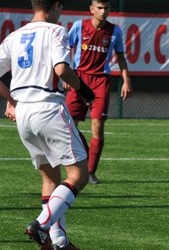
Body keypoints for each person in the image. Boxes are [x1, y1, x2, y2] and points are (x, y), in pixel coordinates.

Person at [0, 0, 95, 249]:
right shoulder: (56, 30)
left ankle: (58, 242)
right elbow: (62, 69)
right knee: (79, 174)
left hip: (24, 116)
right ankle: (41, 224)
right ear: (54, 6)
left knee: (50, 178)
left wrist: (11, 100)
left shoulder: (15, 35)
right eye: (61, 7)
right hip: (49, 108)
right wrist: (84, 89)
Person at [64, 0, 133, 184]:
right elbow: (65, 49)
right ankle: (86, 155)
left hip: (101, 82)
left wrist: (126, 80)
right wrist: (66, 75)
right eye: (100, 8)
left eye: (106, 8)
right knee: (70, 126)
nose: (103, 12)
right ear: (92, 9)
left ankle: (91, 171)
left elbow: (120, 56)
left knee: (98, 127)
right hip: (79, 80)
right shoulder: (80, 26)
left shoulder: (114, 31)